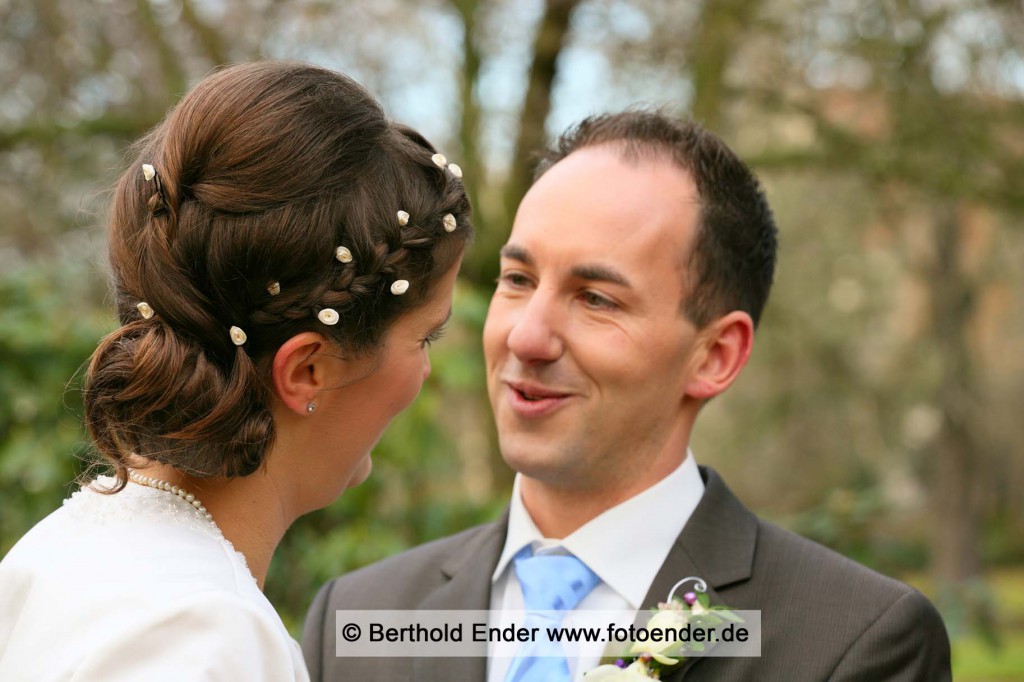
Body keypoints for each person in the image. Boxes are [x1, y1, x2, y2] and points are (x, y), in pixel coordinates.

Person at [302, 111, 952, 681]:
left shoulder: (853, 643)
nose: (527, 337)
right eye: (518, 279)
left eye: (596, 299)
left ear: (715, 356)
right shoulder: (355, 624)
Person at [0, 61, 471, 681]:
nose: (429, 373)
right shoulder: (202, 633)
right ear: (307, 368)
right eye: (425, 336)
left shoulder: (53, 557)